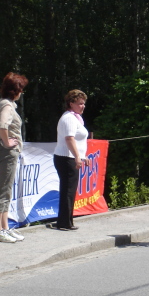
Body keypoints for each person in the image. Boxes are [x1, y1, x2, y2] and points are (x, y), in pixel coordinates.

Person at [0, 72, 29, 243]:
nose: (21, 93)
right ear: (15, 91)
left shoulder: (1, 103)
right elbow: (2, 124)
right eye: (21, 90)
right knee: (3, 189)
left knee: (6, 189)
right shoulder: (7, 106)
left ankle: (4, 227)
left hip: (2, 149)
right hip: (6, 151)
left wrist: (0, 136)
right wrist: (6, 140)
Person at [50, 89, 91, 231]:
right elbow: (69, 138)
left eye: (84, 104)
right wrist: (77, 157)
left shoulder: (76, 118)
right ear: (71, 103)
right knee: (68, 190)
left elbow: (78, 141)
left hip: (70, 157)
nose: (83, 106)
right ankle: (64, 222)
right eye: (80, 103)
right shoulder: (68, 118)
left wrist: (82, 156)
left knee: (69, 190)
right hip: (66, 158)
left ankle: (65, 220)